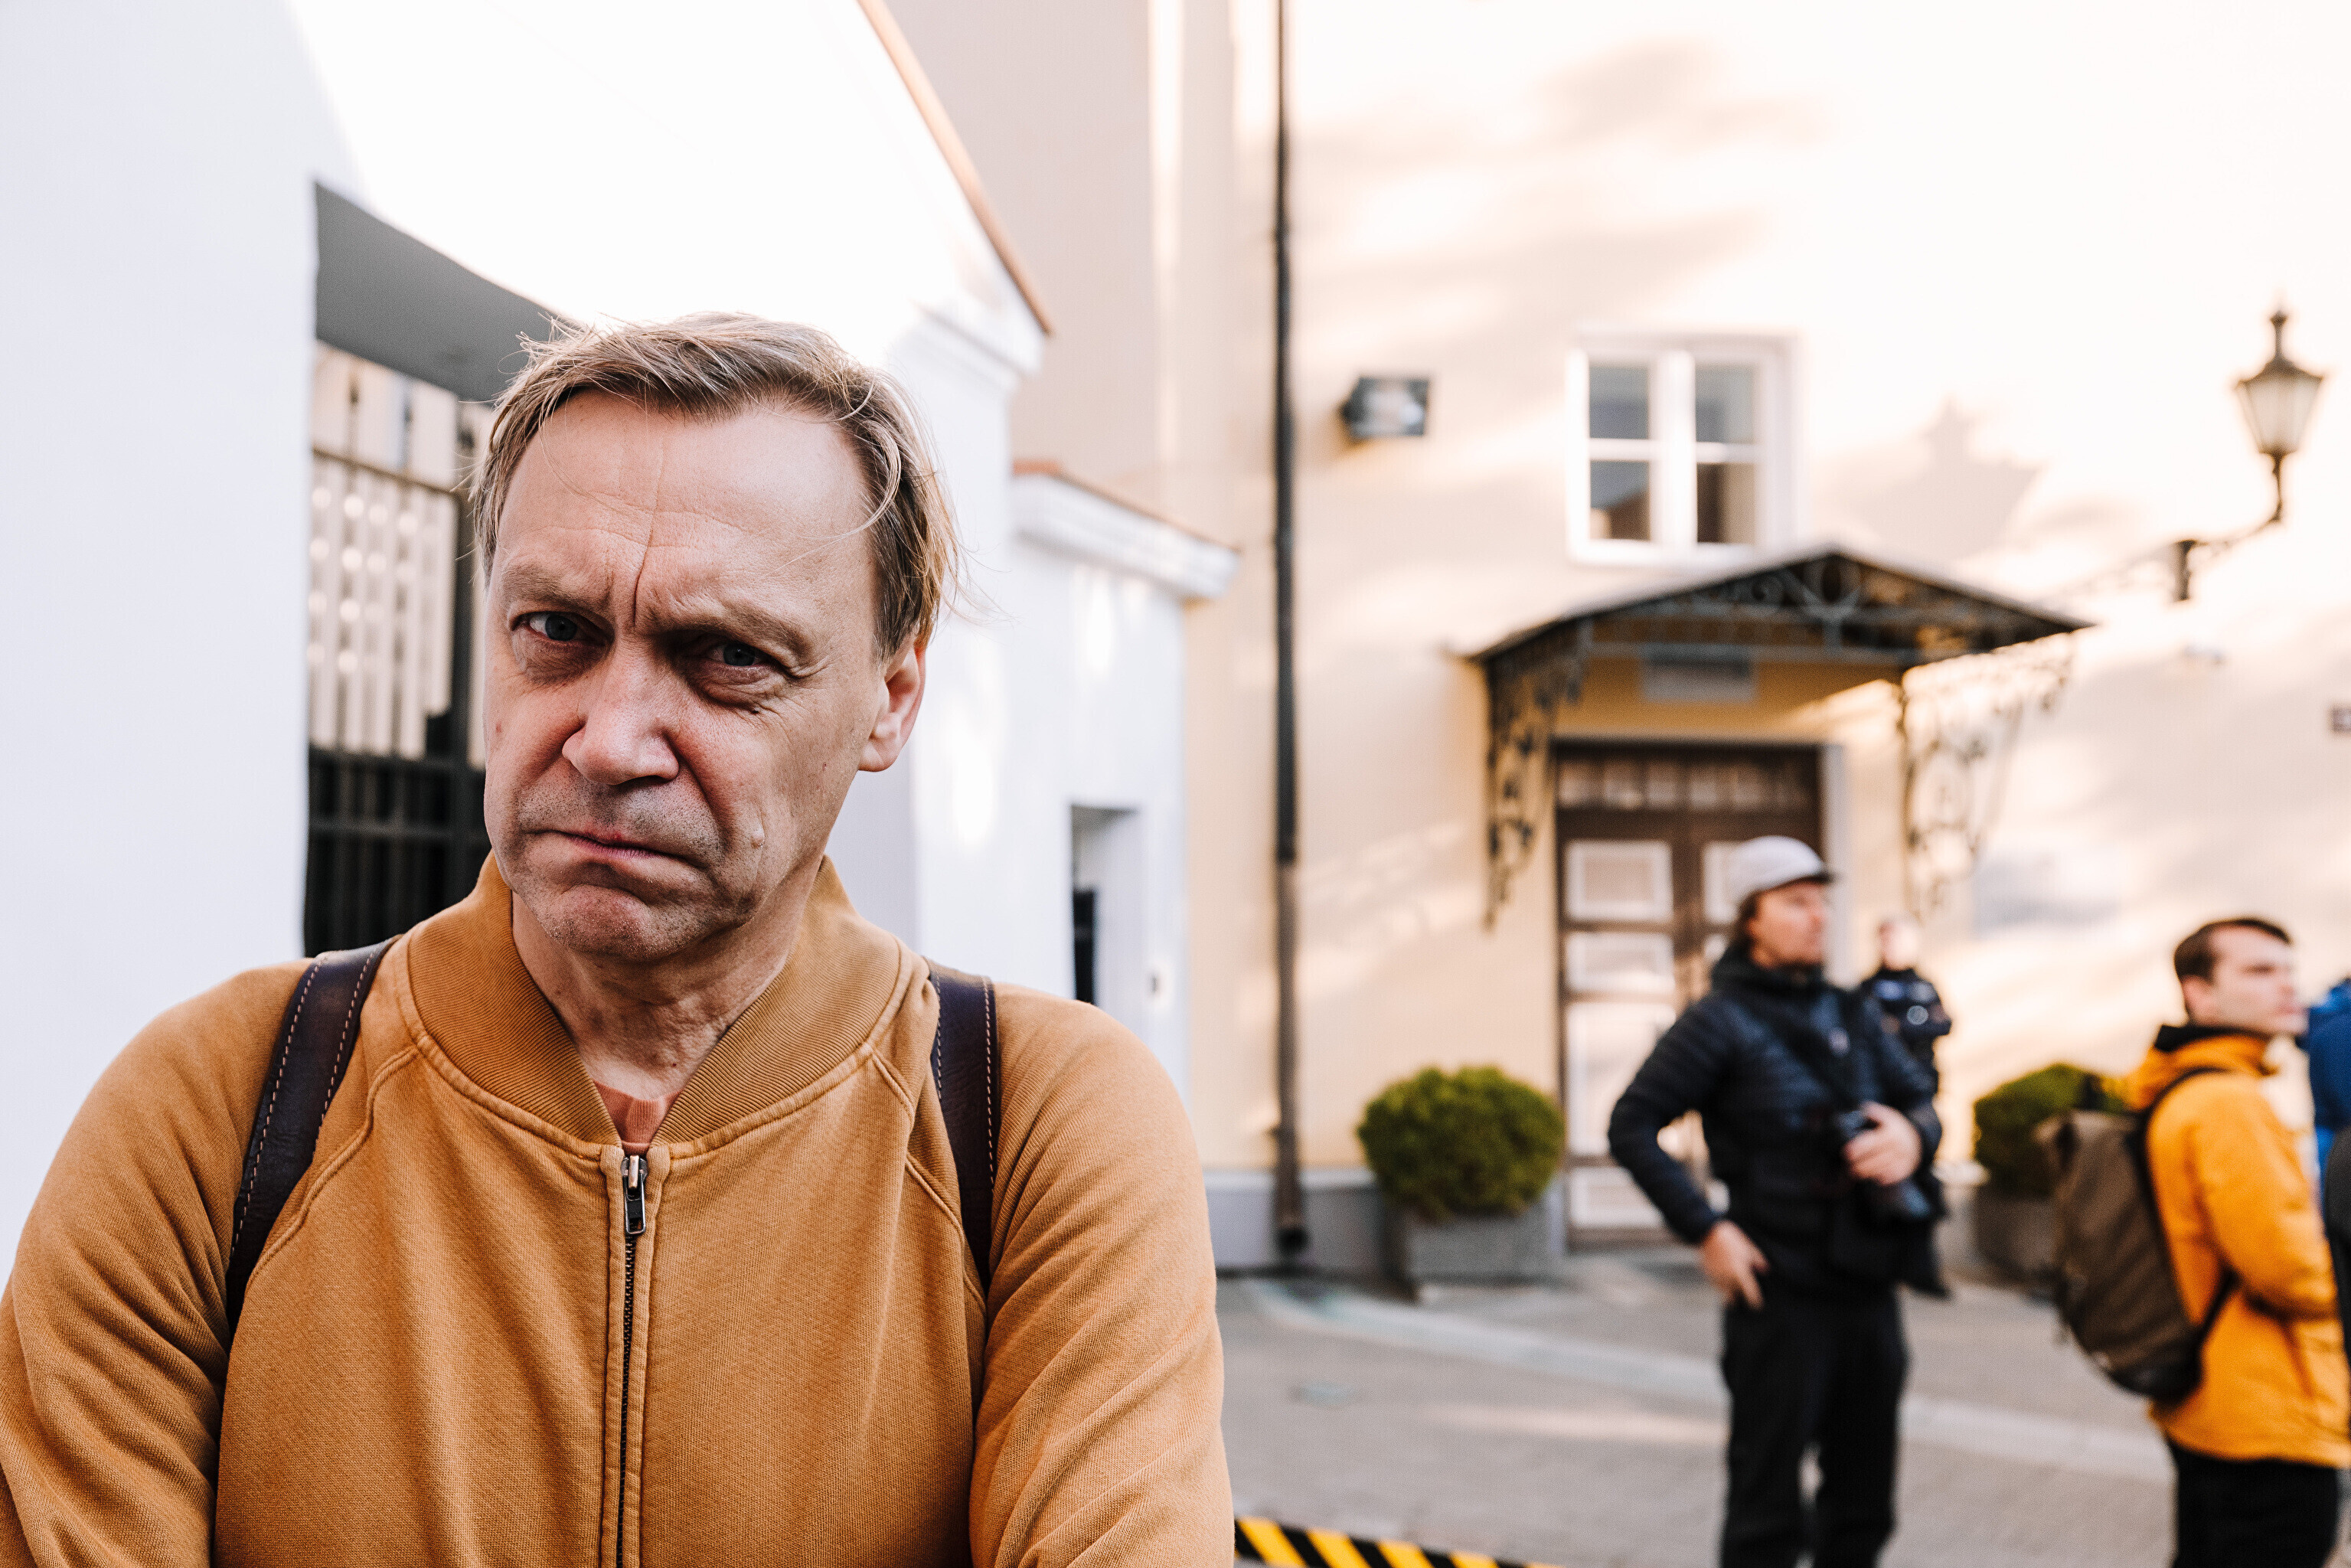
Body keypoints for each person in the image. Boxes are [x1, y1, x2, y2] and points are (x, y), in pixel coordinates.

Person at [0, 315, 1230, 1565]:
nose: (609, 740)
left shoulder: (1034, 1124)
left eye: (727, 657)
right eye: (557, 631)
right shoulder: (220, 1105)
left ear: (891, 697)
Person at [1609, 837, 1940, 1568]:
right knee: (1765, 1513)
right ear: (1749, 919)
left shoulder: (1851, 1010)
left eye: (1820, 901)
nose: (1817, 917)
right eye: (1794, 902)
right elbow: (1631, 1125)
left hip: (1868, 1285)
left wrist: (1911, 1137)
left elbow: (1920, 1098)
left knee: (1864, 1504)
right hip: (1777, 1290)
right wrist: (1706, 1229)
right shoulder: (1717, 1020)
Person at [2121, 917, 2347, 1568]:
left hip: (2211, 1398)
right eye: (2258, 970)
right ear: (2200, 995)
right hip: (2266, 1411)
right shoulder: (2227, 1103)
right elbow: (2288, 1270)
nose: (2286, 985)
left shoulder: (2182, 1085)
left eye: (2286, 968)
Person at [1862, 913, 1950, 1085]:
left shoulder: (1924, 985)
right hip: (1883, 1078)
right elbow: (1867, 1029)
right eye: (1886, 940)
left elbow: (1943, 1023)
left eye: (1897, 940)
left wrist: (1899, 1025)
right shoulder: (1869, 987)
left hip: (1922, 1072)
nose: (1890, 946)